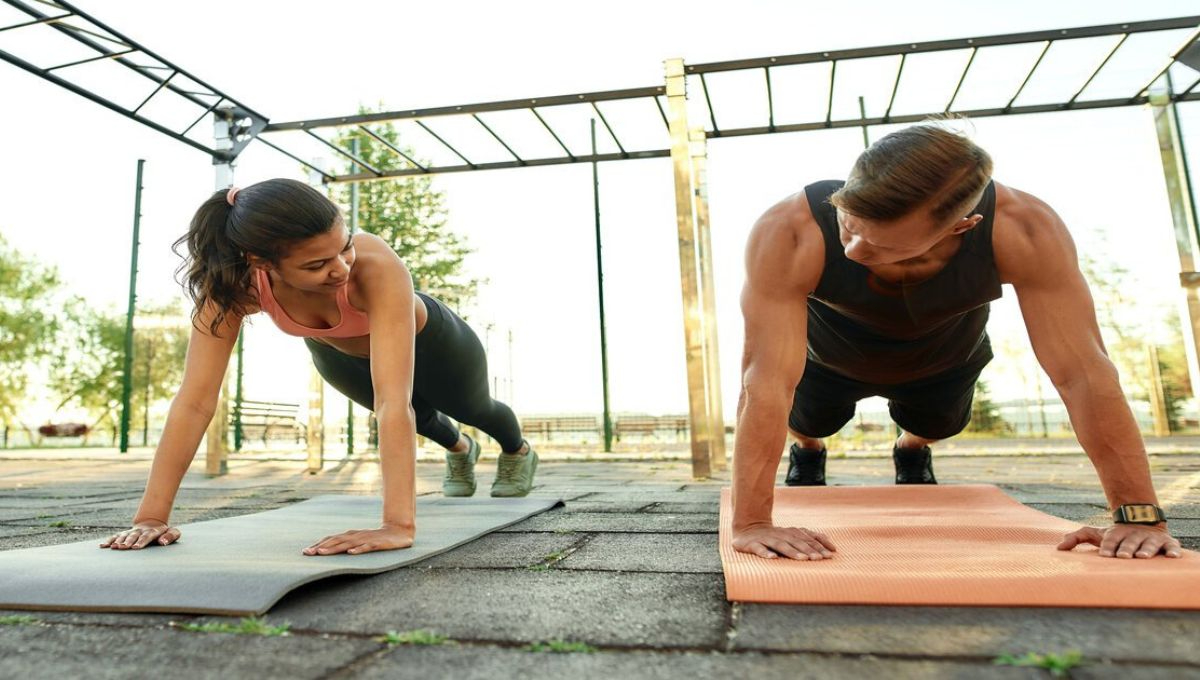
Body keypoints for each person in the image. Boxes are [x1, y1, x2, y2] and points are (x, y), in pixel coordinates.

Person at [732, 123, 1182, 562]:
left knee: (940, 423)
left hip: (944, 355)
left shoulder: (1023, 229)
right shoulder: (790, 228)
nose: (852, 252)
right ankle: (810, 450)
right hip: (830, 355)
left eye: (882, 247)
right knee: (808, 420)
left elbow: (1082, 372)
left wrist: (1139, 517)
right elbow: (765, 380)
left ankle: (911, 448)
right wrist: (752, 524)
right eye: (850, 226)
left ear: (963, 227)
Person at [100, 178, 537, 556]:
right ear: (261, 262)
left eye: (344, 248)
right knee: (423, 420)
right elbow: (195, 401)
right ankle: (460, 451)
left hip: (436, 344)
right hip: (339, 355)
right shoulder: (233, 288)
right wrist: (152, 518)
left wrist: (397, 527)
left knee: (473, 407)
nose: (340, 268)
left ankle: (517, 451)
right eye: (316, 264)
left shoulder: (374, 266)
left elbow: (392, 401)